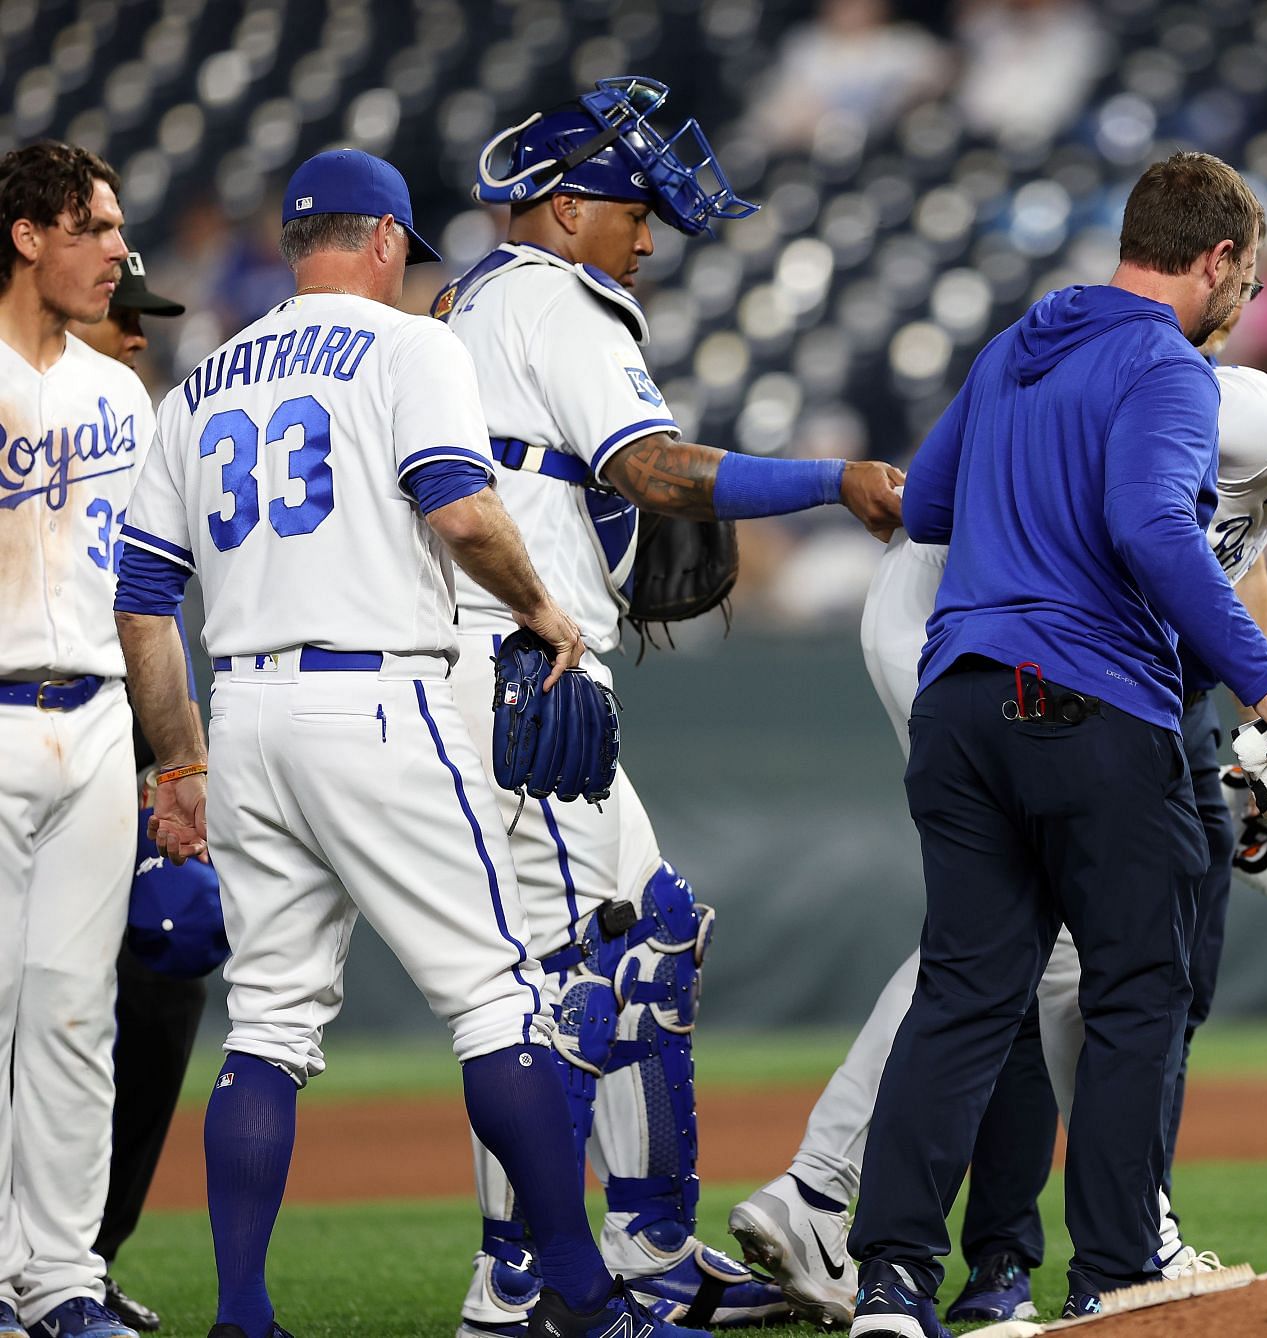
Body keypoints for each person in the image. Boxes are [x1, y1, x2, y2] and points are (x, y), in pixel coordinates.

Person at [840, 150, 1267, 1336]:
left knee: (971, 994)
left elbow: (924, 508)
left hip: (962, 699)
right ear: (1216, 258)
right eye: (1249, 276)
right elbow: (1147, 528)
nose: (1246, 302)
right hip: (1085, 704)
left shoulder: (1021, 344)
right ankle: (1123, 1270)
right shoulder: (1172, 369)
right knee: (1140, 984)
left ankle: (891, 1287)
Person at [732, 363, 1267, 1326]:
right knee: (1004, 943)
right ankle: (830, 1195)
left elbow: (1217, 575)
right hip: (969, 625)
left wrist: (1251, 756)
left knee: (1028, 951)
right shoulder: (1261, 414)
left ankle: (913, 1214)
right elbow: (1139, 516)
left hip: (994, 632)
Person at [110, 148, 709, 1338]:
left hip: (247, 711)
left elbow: (139, 595)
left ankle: (239, 1313)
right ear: (384, 239)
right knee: (498, 1000)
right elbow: (460, 507)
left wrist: (179, 760)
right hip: (379, 696)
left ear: (298, 242)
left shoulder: (196, 384)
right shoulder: (411, 345)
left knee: (271, 1027)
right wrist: (546, 612)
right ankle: (580, 1294)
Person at [439, 78, 903, 1336]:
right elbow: (646, 467)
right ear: (566, 205)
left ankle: (648, 1254)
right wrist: (833, 478)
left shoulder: (465, 302)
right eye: (635, 208)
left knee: (651, 931)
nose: (648, 238)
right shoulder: (556, 294)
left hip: (488, 663)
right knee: (556, 989)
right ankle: (523, 1278)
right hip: (517, 675)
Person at [0, 140, 149, 1338]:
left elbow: (146, 593)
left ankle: (58, 1277)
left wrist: (179, 751)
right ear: (27, 233)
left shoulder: (117, 395)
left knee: (70, 1010)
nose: (117, 250)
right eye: (94, 226)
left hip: (98, 715)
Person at [66, 249, 197, 1335]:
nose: (142, 336)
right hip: (42, 736)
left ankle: (80, 1257)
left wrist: (180, 768)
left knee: (164, 984)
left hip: (130, 749)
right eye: (124, 316)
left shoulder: (146, 438)